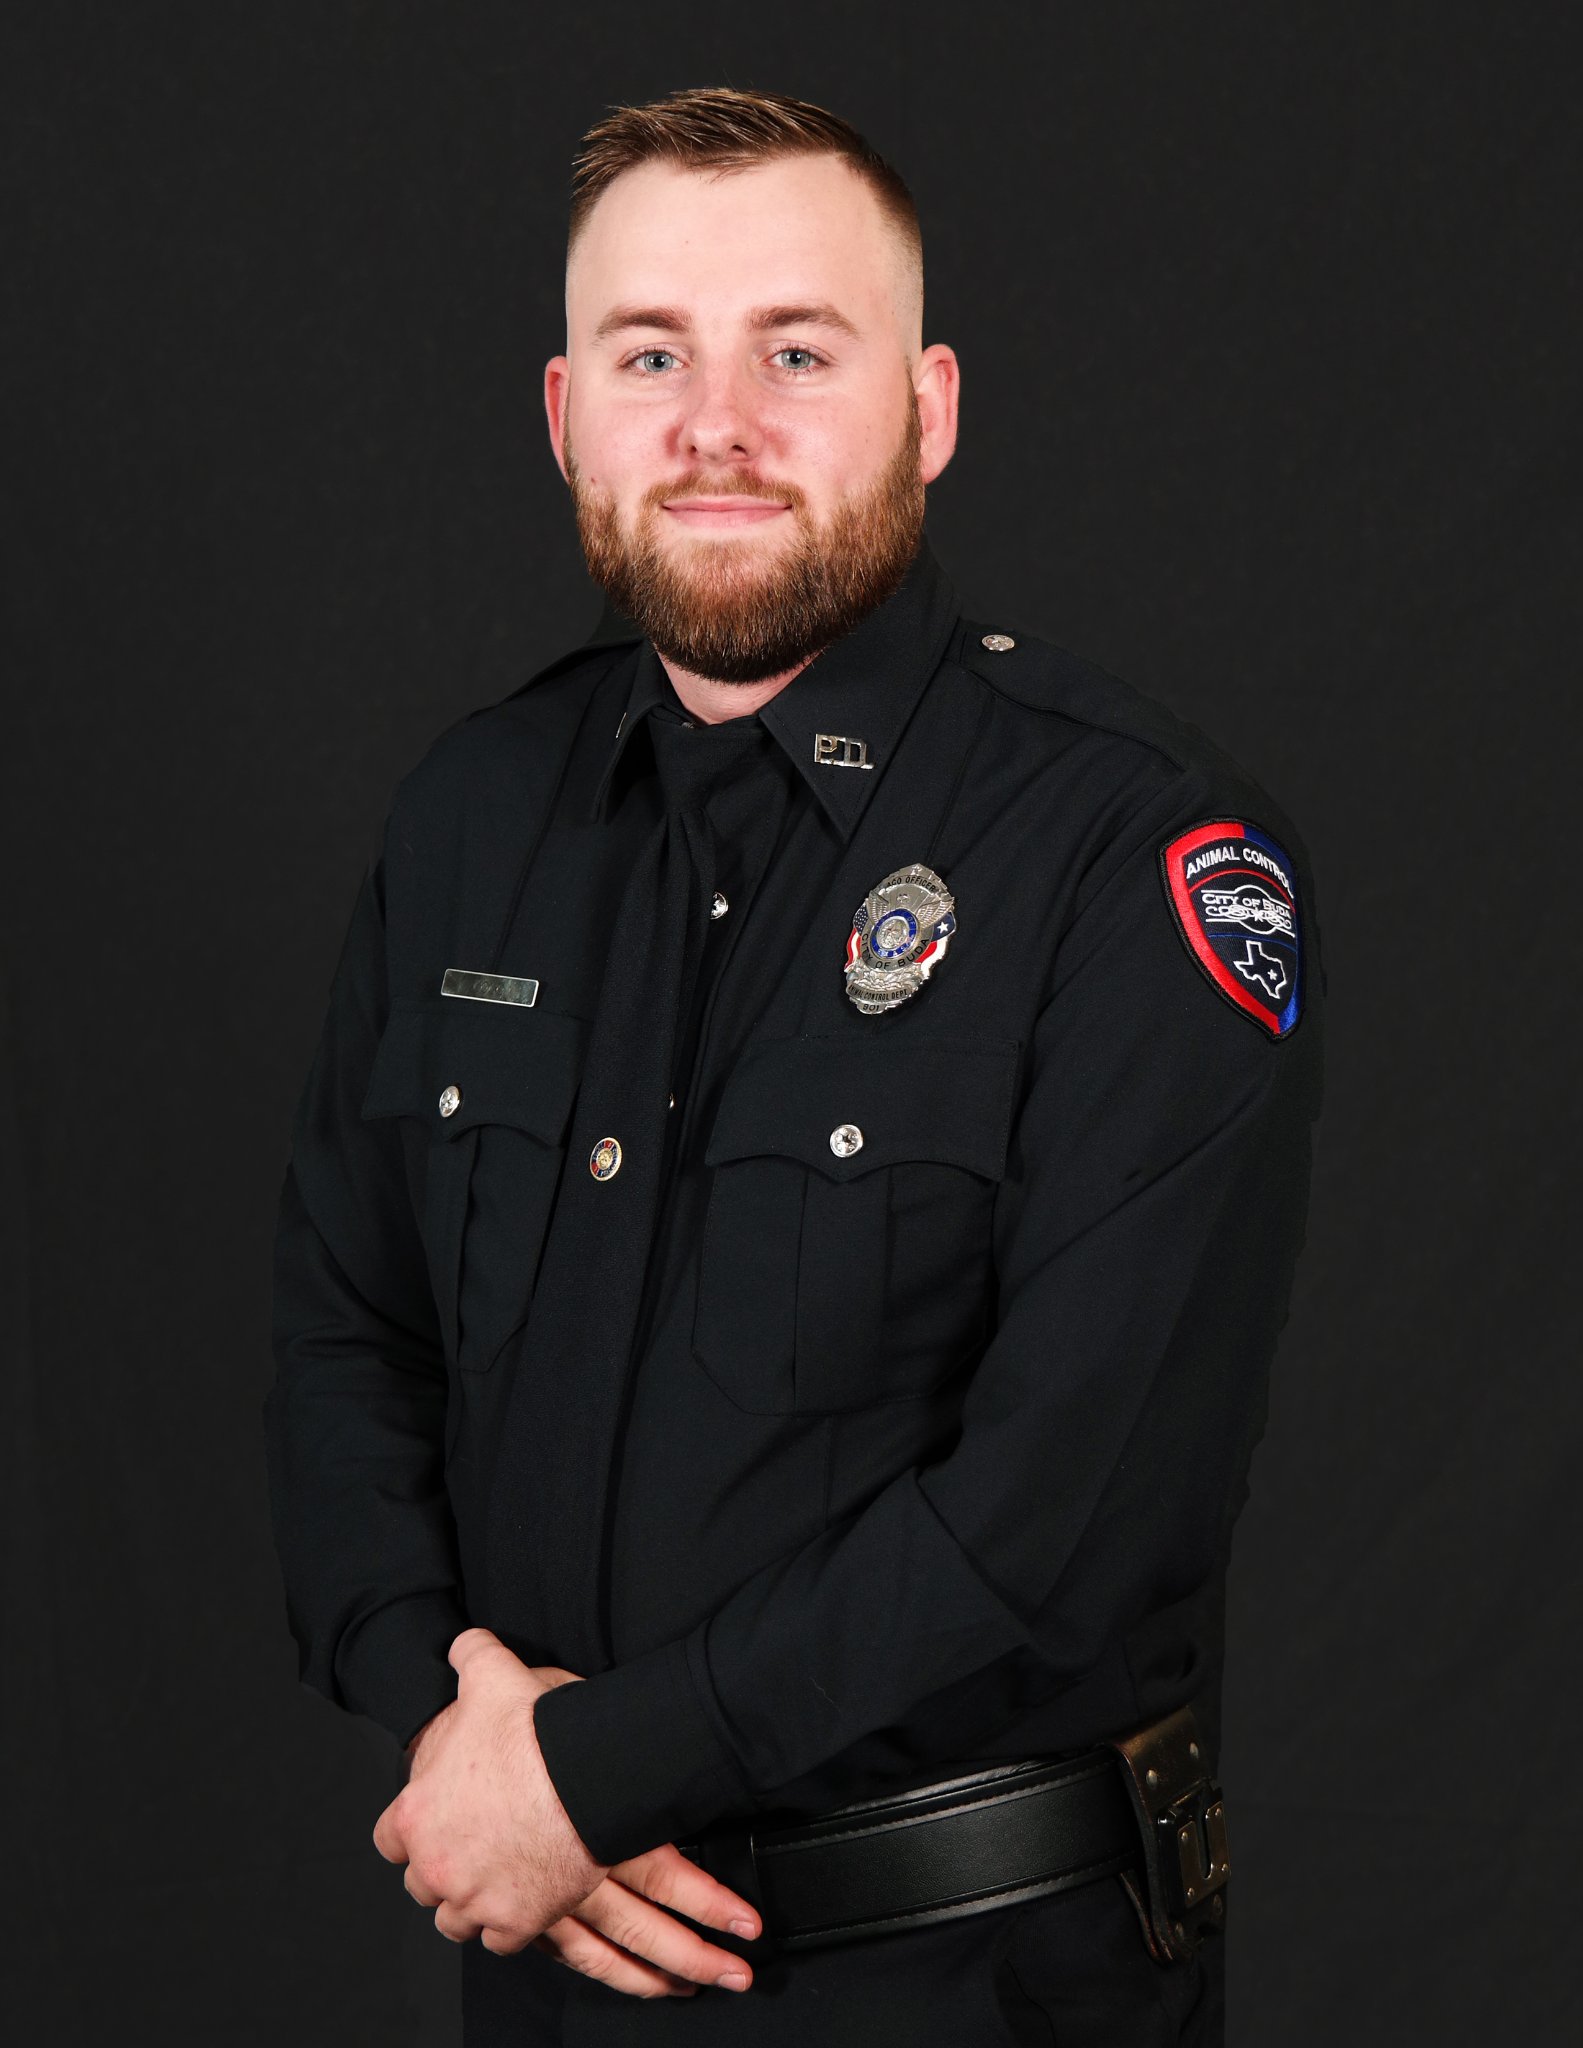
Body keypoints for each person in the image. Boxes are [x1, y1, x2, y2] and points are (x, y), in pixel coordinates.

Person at [263, 84, 1325, 2047]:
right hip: (549, 1958)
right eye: (650, 354)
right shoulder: (474, 816)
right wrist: (453, 1709)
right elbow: (345, 1332)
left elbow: (1060, 1513)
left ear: (929, 407)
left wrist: (586, 1778)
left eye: (798, 354)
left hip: (969, 1987)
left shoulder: (1136, 859)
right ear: (566, 413)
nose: (716, 423)